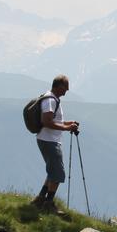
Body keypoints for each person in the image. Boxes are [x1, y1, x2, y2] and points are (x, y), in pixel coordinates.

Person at [32, 75, 79, 213]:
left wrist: (69, 123)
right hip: (49, 141)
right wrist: (67, 128)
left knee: (52, 171)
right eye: (65, 88)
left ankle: (40, 199)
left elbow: (53, 120)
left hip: (48, 140)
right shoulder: (50, 100)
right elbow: (47, 122)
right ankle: (49, 204)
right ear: (59, 86)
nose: (67, 91)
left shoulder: (51, 98)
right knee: (58, 174)